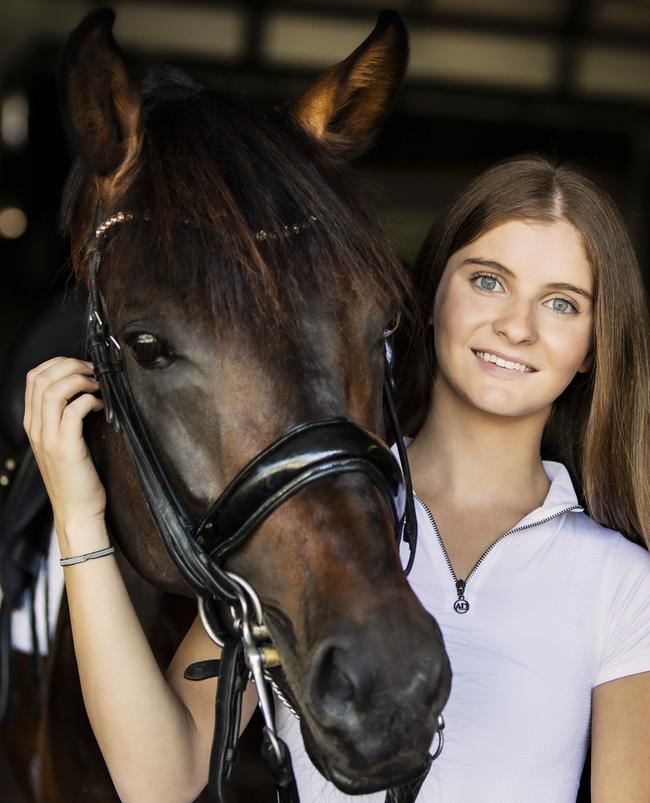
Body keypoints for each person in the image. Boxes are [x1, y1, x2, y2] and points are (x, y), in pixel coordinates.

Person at [24, 154, 650, 802]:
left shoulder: (621, 584)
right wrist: (78, 516)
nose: (517, 326)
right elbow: (159, 778)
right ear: (430, 295)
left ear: (592, 348)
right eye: (489, 281)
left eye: (561, 303)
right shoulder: (310, 511)